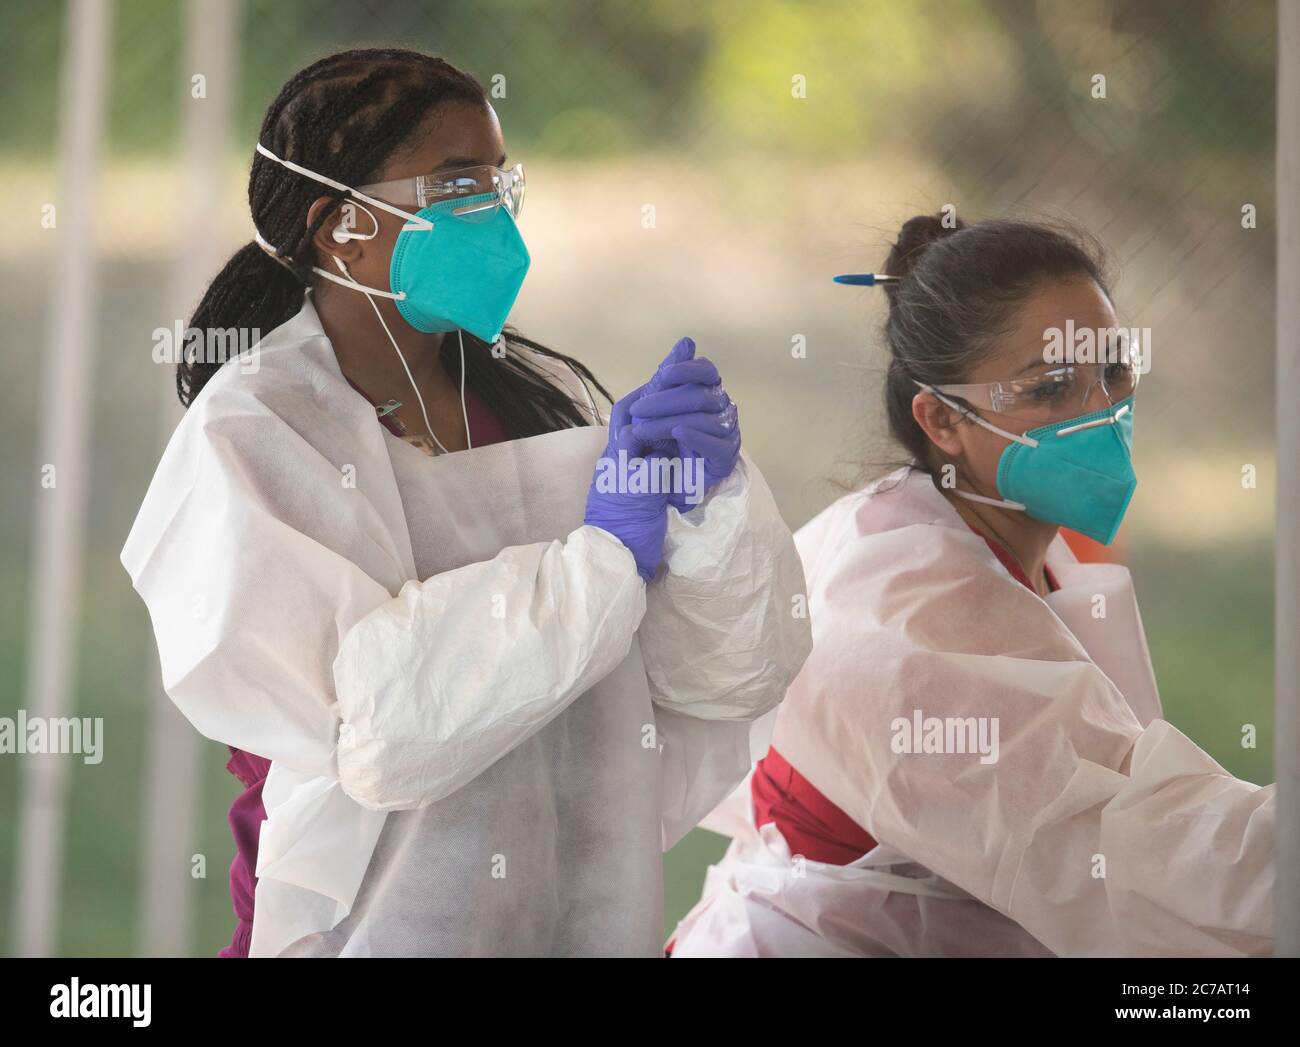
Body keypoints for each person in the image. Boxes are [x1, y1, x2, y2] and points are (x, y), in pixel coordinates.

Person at [121, 48, 812, 957]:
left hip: (573, 912)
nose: (494, 213)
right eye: (456, 186)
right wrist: (599, 562)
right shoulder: (255, 433)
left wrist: (707, 513)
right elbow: (377, 724)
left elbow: (716, 682)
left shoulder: (527, 410)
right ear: (343, 225)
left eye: (498, 180)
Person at [668, 214, 1275, 958]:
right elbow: (1141, 857)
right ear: (942, 419)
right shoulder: (915, 618)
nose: (1101, 410)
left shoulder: (943, 526)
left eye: (1113, 369)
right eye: (1050, 387)